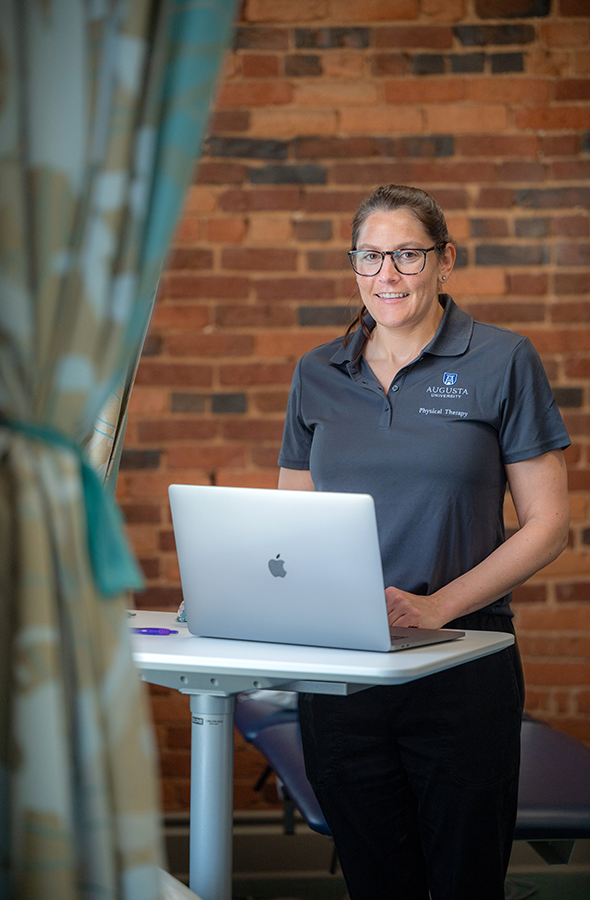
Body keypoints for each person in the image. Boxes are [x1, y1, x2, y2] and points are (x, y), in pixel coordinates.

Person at [276, 184, 570, 900]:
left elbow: (548, 525)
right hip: (340, 671)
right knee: (377, 884)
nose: (387, 274)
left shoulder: (501, 360)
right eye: (370, 256)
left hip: (460, 663)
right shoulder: (318, 373)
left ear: (445, 261)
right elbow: (290, 520)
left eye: (407, 254)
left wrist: (434, 609)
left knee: (464, 884)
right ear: (352, 266)